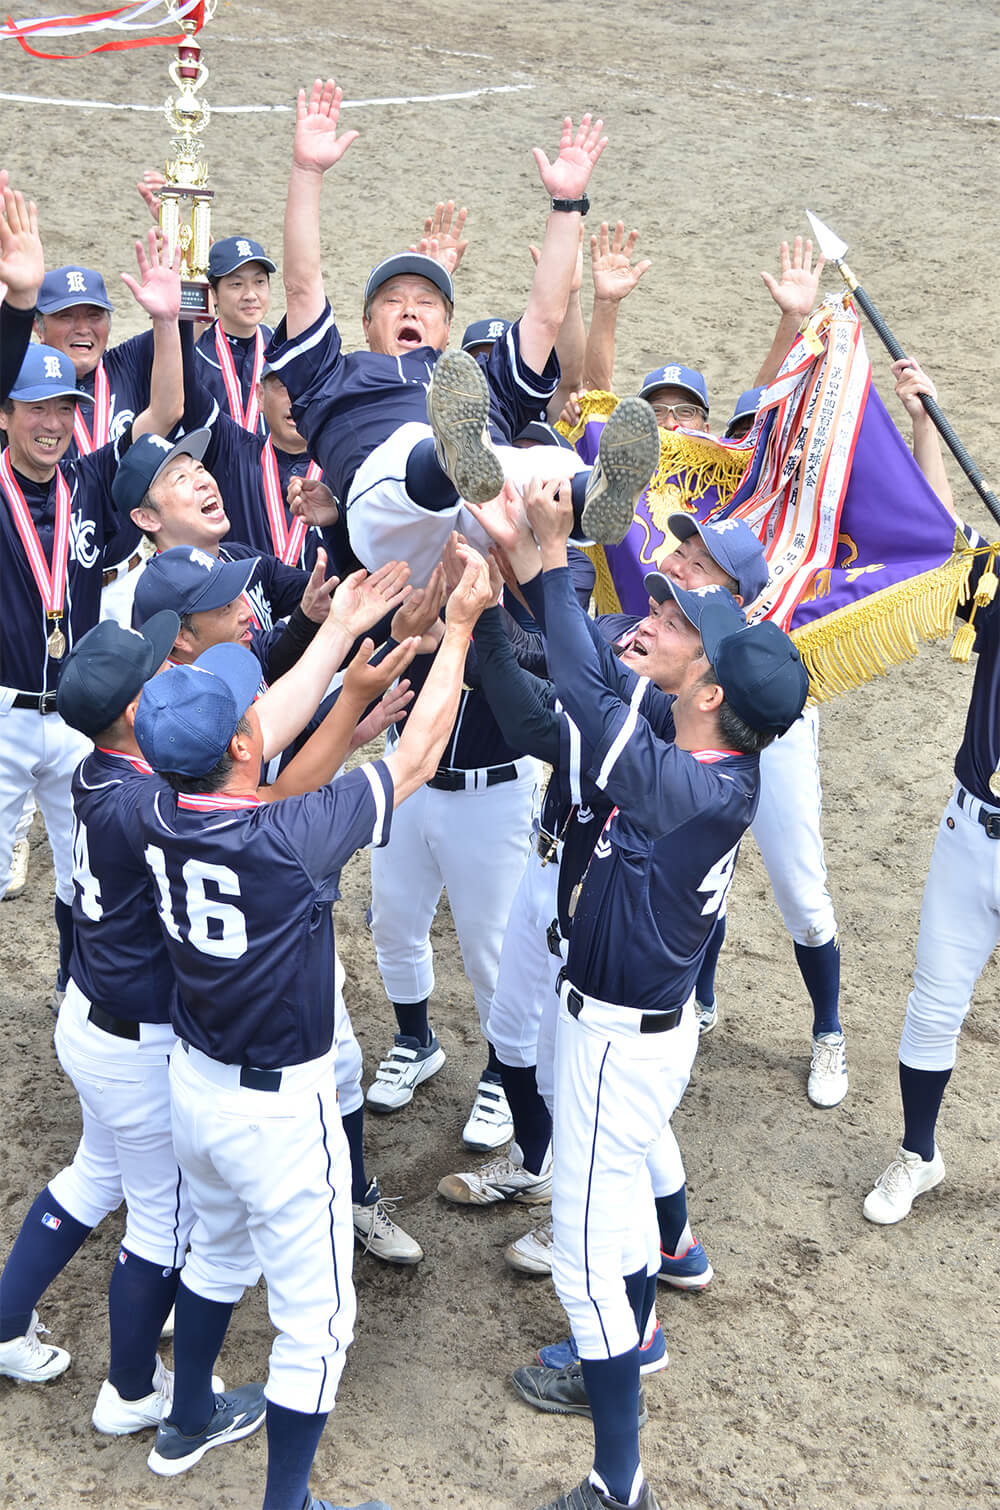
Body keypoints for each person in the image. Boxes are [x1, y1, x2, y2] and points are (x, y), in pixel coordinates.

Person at [130, 544, 493, 1508]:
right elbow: (413, 758)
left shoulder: (152, 808)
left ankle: (185, 1420)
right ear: (243, 751)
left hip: (198, 1090)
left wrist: (337, 637)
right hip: (279, 1115)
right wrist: (454, 630)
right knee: (319, 1327)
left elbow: (251, 742)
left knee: (216, 1253)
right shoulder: (285, 837)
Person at [497, 475, 808, 1510]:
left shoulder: (689, 787)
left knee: (585, 1263)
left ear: (711, 691)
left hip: (622, 1042)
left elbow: (584, 699)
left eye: (684, 625)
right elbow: (595, 675)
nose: (664, 616)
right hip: (639, 1032)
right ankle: (637, 1352)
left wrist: (549, 556)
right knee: (622, 1214)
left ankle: (617, 1477)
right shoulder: (707, 751)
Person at [266, 79, 660, 585]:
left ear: (447, 327)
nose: (410, 308)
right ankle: (447, 457)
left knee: (532, 462)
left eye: (427, 302)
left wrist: (567, 206)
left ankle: (596, 495)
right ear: (366, 324)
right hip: (394, 531)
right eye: (392, 301)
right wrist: (306, 171)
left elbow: (544, 317)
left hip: (485, 524)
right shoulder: (332, 375)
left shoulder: (474, 382)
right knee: (411, 446)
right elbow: (300, 286)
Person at [0, 612, 206, 1429]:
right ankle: (129, 1392)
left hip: (90, 1020)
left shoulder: (95, 768)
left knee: (96, 1175)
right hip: (134, 1041)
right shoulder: (150, 801)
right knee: (161, 1214)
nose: (167, 671)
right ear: (131, 707)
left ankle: (7, 1327)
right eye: (154, 671)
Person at [0, 229, 183, 1004]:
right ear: (5, 414)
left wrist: (169, 320)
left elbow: (165, 410)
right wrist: (16, 302)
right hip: (2, 713)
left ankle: (82, 990)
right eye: (35, 408)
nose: (52, 422)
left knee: (90, 863)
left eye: (65, 407)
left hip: (78, 714)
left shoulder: (87, 478)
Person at [862, 356, 978, 1226]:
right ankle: (918, 1154)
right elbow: (941, 542)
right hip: (974, 834)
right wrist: (925, 421)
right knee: (932, 1004)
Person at [194, 235, 276, 436]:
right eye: (236, 284)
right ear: (213, 293)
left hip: (271, 466)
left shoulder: (282, 347)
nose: (250, 294)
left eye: (259, 282)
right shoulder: (197, 354)